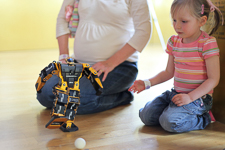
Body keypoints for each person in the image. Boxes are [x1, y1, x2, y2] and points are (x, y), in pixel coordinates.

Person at [36, 0, 152, 114]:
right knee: (44, 93)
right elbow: (62, 19)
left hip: (119, 66)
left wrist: (110, 63)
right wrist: (64, 56)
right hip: (79, 64)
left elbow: (143, 32)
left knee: (77, 100)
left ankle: (123, 96)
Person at [129, 0, 223, 133]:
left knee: (169, 123)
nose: (177, 26)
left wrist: (190, 97)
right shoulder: (174, 41)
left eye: (184, 21)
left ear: (202, 21)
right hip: (176, 94)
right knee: (146, 116)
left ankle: (204, 118)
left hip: (198, 99)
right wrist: (147, 83)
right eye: (174, 20)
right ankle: (174, 113)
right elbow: (168, 72)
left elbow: (213, 79)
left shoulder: (207, 43)